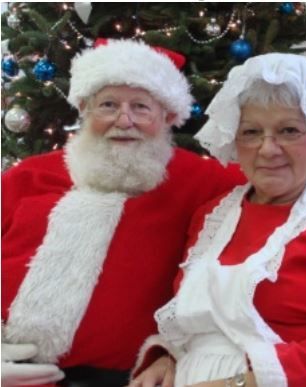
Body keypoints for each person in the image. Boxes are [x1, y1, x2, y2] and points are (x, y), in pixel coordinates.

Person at [130, 53, 306, 387]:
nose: (268, 148)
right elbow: (203, 320)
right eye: (251, 132)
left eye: (288, 130)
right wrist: (168, 358)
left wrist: (237, 383)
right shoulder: (213, 215)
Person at [1, 40, 245, 387]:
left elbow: (283, 184)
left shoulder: (205, 182)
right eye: (108, 105)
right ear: (85, 109)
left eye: (141, 107)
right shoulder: (26, 176)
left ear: (168, 116)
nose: (124, 120)